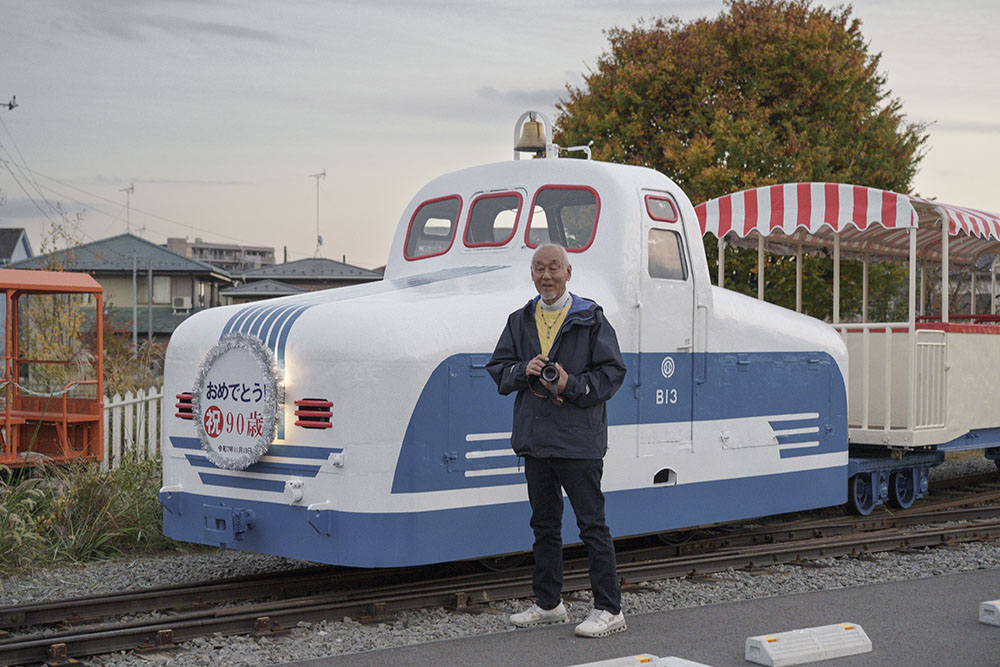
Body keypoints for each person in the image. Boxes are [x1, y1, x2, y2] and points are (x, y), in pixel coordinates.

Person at [487, 243, 627, 638]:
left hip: (579, 442)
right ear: (532, 274)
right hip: (536, 441)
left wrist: (571, 384)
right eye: (538, 269)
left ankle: (609, 608)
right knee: (544, 526)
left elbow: (612, 374)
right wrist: (521, 370)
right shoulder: (520, 319)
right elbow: (498, 369)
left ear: (569, 272)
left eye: (554, 268)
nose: (546, 276)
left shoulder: (590, 319)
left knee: (591, 526)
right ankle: (549, 603)